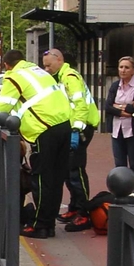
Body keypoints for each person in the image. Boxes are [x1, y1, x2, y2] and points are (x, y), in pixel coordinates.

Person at [0, 49, 71, 239]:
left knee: (42, 178)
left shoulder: (14, 76)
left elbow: (3, 106)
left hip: (45, 129)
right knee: (56, 178)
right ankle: (49, 223)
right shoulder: (39, 71)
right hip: (64, 124)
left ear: (6, 65)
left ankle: (40, 226)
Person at [43, 48, 100, 232]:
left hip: (81, 127)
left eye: (49, 65)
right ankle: (75, 207)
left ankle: (84, 213)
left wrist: (76, 129)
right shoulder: (59, 76)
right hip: (72, 127)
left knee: (75, 170)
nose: (46, 69)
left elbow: (80, 104)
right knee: (67, 170)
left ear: (59, 60)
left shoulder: (70, 76)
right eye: (44, 66)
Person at [104, 56, 134, 193]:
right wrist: (127, 109)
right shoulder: (114, 85)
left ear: (133, 70)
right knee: (119, 165)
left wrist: (121, 108)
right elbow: (108, 107)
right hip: (117, 130)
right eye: (121, 67)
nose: (123, 70)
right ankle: (121, 193)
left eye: (127, 67)